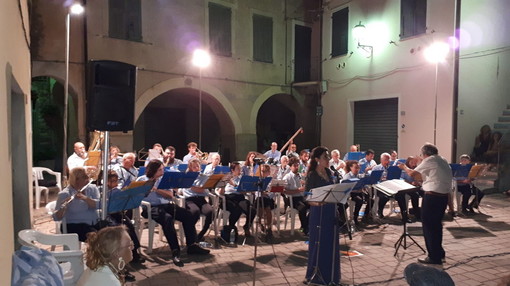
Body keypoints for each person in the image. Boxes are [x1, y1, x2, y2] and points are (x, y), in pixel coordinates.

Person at [137, 159, 209, 266]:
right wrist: (147, 189)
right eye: (160, 170)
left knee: (188, 215)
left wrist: (157, 189)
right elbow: (137, 197)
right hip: (150, 208)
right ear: (153, 170)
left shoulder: (163, 179)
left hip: (166, 205)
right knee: (167, 218)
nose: (163, 172)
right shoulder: (142, 180)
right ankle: (175, 250)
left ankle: (192, 245)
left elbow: (170, 195)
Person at [398, 143, 452, 265]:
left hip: (433, 196)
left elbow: (412, 174)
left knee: (428, 227)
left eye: (422, 155)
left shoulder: (430, 160)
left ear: (425, 154)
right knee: (437, 226)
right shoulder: (441, 159)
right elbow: (424, 176)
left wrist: (403, 167)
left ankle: (433, 257)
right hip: (442, 197)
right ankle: (439, 252)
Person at [304, 146, 340, 285]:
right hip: (318, 212)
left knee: (331, 244)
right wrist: (315, 203)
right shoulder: (312, 174)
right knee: (319, 243)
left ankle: (331, 276)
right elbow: (307, 195)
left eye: (328, 157)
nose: (328, 160)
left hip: (331, 211)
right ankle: (316, 275)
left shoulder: (330, 172)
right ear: (317, 159)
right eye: (325, 157)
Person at [106, 170, 144, 264]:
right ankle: (123, 254)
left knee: (130, 226)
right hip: (109, 215)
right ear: (106, 181)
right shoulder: (103, 190)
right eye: (112, 181)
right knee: (120, 228)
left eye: (116, 181)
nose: (114, 183)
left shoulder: (117, 190)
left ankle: (134, 251)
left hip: (118, 213)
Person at [54, 167, 100, 242]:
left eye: (87, 176)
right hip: (74, 226)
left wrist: (85, 198)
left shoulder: (92, 189)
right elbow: (56, 218)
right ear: (76, 180)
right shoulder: (65, 194)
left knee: (110, 233)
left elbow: (99, 205)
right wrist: (64, 207)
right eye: (84, 177)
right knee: (97, 238)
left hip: (93, 223)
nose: (88, 179)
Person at [218, 162, 256, 238]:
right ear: (232, 170)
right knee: (236, 209)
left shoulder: (242, 178)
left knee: (252, 210)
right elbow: (220, 193)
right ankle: (232, 227)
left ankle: (247, 226)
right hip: (228, 198)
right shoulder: (226, 177)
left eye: (240, 169)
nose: (240, 170)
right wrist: (223, 184)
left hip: (239, 197)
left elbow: (243, 191)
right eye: (238, 169)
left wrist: (245, 187)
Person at [181, 158, 214, 242]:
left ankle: (201, 234)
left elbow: (204, 191)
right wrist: (197, 188)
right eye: (194, 167)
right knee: (195, 212)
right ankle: (192, 235)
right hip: (190, 200)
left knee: (210, 212)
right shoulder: (186, 176)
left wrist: (193, 187)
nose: (197, 168)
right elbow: (186, 190)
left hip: (201, 199)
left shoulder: (203, 177)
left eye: (198, 166)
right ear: (190, 168)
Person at [283, 157, 309, 235]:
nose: (297, 167)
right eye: (295, 166)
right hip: (293, 198)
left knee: (314, 206)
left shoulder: (300, 175)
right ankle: (305, 228)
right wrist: (298, 190)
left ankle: (306, 225)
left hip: (301, 197)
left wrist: (305, 185)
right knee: (302, 208)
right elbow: (284, 191)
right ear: (290, 167)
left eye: (298, 165)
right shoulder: (287, 177)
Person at [343, 160, 372, 225]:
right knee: (359, 201)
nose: (357, 169)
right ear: (351, 168)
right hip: (352, 194)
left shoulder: (359, 175)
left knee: (371, 200)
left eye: (358, 168)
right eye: (356, 167)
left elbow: (364, 182)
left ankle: (366, 215)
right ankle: (355, 217)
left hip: (360, 192)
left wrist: (364, 185)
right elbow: (346, 187)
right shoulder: (347, 176)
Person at [256, 164, 277, 242]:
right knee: (262, 206)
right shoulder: (257, 179)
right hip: (259, 198)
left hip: (268, 199)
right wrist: (261, 193)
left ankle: (268, 227)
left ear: (268, 172)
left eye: (265, 171)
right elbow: (255, 192)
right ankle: (261, 225)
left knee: (267, 208)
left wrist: (268, 193)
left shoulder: (270, 180)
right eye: (262, 171)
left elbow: (273, 192)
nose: (263, 173)